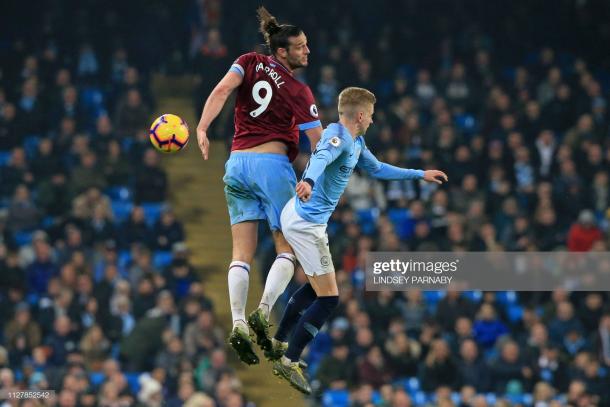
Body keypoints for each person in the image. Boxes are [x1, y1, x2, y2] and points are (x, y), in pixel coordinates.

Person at [269, 87, 447, 393]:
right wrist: (309, 181)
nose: (374, 121)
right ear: (361, 115)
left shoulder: (356, 141)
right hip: (306, 223)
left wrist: (420, 174)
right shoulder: (337, 137)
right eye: (372, 116)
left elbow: (377, 169)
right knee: (330, 298)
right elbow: (322, 156)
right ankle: (289, 358)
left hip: (299, 215)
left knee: (317, 287)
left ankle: (279, 339)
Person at [195, 6, 322, 365]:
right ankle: (263, 313)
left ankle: (237, 323)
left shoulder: (247, 61)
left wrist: (203, 128)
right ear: (282, 52)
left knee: (241, 253)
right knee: (287, 248)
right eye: (300, 47)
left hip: (236, 164)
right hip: (272, 165)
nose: (307, 51)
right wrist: (311, 178)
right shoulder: (299, 91)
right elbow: (320, 143)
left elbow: (221, 90)